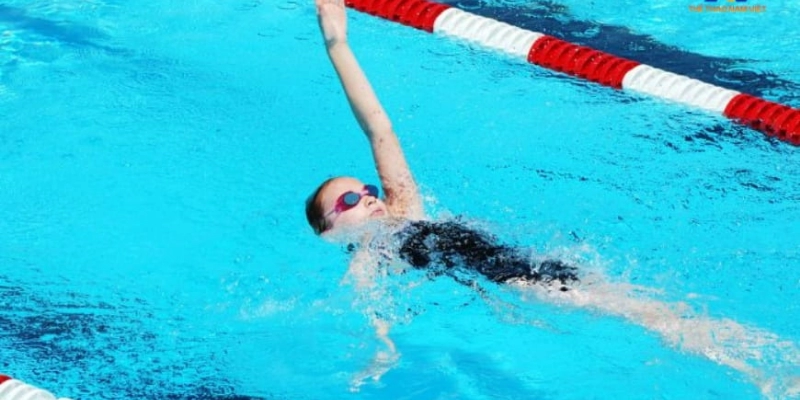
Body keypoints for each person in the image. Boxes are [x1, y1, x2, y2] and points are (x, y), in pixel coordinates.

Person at [307, 0, 800, 395]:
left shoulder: (403, 210)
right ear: (329, 233)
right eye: (349, 201)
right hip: (522, 282)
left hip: (532, 268)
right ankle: (761, 366)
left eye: (366, 189)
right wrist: (382, 349)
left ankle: (767, 371)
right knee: (651, 314)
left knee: (656, 313)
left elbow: (380, 130)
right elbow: (372, 310)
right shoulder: (367, 256)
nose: (368, 197)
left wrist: (338, 43)